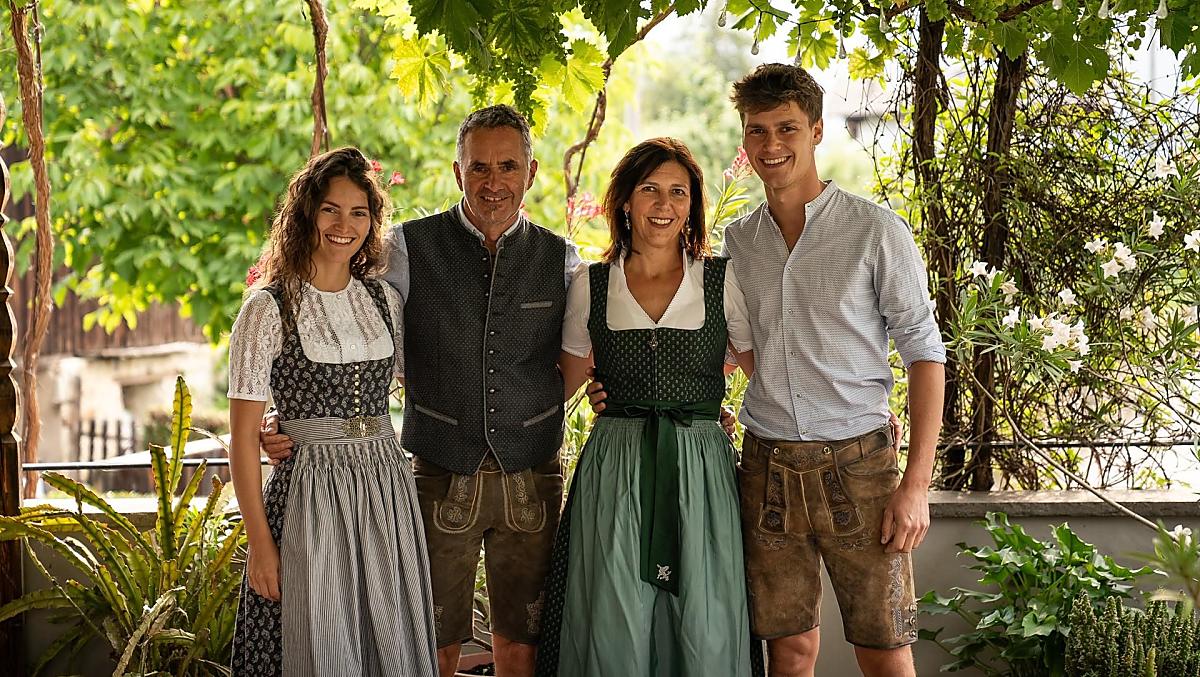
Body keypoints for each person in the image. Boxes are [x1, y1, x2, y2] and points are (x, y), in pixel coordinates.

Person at [260, 105, 583, 677]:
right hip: (437, 471)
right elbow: (344, 324)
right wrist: (286, 415)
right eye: (478, 167)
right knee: (428, 643)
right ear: (458, 172)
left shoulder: (562, 259)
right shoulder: (407, 249)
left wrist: (535, 412)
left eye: (508, 166)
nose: (493, 182)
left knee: (523, 645)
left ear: (531, 173)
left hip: (532, 474)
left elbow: (577, 359)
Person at [724, 64, 947, 677]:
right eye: (757, 130)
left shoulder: (874, 230)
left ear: (817, 130)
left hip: (861, 470)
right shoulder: (739, 242)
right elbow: (737, 347)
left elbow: (925, 351)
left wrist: (916, 483)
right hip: (767, 468)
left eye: (787, 128)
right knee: (789, 652)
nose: (771, 145)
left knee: (884, 650)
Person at [536, 138, 757, 677]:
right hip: (617, 465)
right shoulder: (592, 283)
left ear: (692, 204)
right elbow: (559, 386)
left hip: (700, 468)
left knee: (704, 620)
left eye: (678, 192)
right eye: (649, 189)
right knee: (616, 616)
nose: (664, 204)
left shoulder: (720, 279)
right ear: (625, 202)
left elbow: (765, 377)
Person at [227, 146, 438, 676]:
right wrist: (260, 545)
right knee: (317, 637)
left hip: (384, 492)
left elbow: (419, 384)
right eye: (330, 210)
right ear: (306, 215)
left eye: (359, 213)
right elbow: (242, 438)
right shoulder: (268, 308)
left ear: (372, 221)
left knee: (383, 639)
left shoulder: (383, 300)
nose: (345, 226)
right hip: (310, 495)